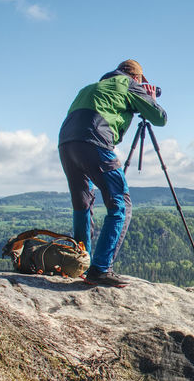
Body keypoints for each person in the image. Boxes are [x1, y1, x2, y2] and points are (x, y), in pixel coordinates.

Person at [58, 59, 166, 287]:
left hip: (67, 143)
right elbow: (160, 118)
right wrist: (150, 99)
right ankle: (101, 269)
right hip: (95, 141)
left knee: (82, 203)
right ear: (136, 77)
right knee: (120, 205)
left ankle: (79, 263)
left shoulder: (90, 88)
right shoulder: (129, 84)